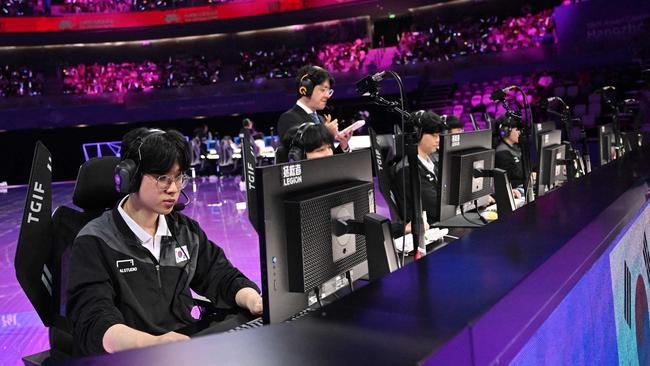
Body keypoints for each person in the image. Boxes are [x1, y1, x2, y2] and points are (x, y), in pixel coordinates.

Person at [66, 128, 262, 356]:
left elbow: (221, 276)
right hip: (132, 356)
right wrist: (150, 344)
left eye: (179, 177)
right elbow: (94, 321)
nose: (174, 189)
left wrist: (253, 299)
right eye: (163, 178)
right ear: (130, 176)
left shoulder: (185, 231)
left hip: (185, 348)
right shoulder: (95, 241)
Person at [276, 65, 352, 163]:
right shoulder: (288, 118)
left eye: (329, 91)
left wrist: (343, 145)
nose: (327, 95)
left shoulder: (322, 119)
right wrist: (325, 132)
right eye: (322, 90)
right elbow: (297, 156)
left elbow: (329, 161)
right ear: (306, 89)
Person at [392, 111, 444, 226]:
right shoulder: (407, 169)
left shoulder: (434, 162)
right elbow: (437, 207)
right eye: (434, 135)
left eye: (438, 135)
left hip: (443, 222)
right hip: (431, 229)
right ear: (417, 134)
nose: (438, 140)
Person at [494, 114, 525, 190]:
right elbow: (513, 176)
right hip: (514, 190)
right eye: (517, 129)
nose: (519, 133)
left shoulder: (516, 148)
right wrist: (529, 175)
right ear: (506, 131)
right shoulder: (502, 152)